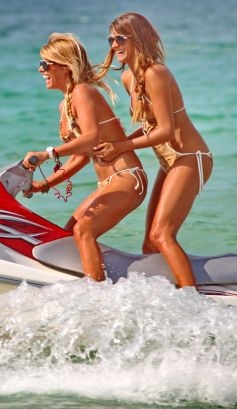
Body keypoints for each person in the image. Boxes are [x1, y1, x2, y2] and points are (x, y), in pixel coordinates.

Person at [92, 13, 212, 288]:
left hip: (190, 159)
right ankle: (168, 290)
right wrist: (111, 144)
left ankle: (189, 297)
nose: (113, 45)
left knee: (162, 234)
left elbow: (166, 131)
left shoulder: (156, 73)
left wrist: (120, 145)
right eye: (111, 39)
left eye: (120, 38)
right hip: (169, 163)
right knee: (149, 243)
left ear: (139, 39)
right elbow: (150, 126)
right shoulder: (128, 78)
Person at [22, 33, 147, 282]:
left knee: (84, 230)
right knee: (67, 235)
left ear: (65, 67)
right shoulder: (65, 104)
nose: (40, 70)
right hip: (107, 184)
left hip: (127, 178)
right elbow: (80, 157)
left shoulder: (83, 92)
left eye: (46, 64)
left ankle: (97, 293)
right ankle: (83, 279)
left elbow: (90, 137)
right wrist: (42, 185)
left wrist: (47, 154)